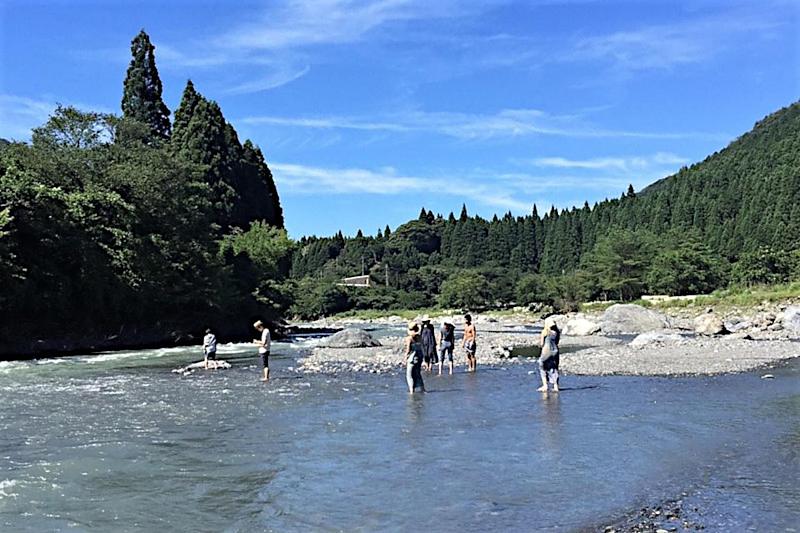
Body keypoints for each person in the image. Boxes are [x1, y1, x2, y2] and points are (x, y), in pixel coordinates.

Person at [402, 322, 425, 393]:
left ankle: (412, 391)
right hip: (419, 356)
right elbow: (422, 346)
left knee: (409, 375)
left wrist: (405, 357)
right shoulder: (419, 337)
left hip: (412, 357)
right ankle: (422, 389)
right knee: (418, 373)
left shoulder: (409, 338)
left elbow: (408, 349)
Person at [538, 322, 561, 393]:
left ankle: (545, 386)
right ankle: (556, 386)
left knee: (542, 366)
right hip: (555, 351)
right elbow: (557, 342)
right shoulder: (557, 332)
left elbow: (542, 344)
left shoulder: (545, 331)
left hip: (546, 351)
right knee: (554, 368)